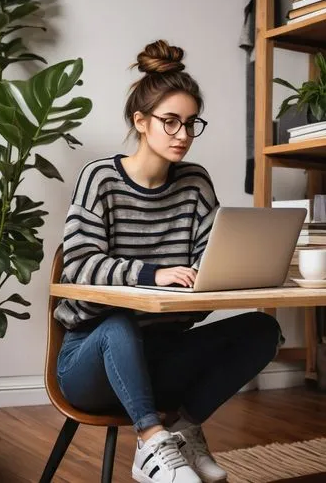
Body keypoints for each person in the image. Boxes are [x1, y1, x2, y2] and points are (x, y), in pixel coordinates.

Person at [55, 39, 284, 483]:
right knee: (118, 324)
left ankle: (182, 431)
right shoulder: (100, 178)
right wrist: (152, 275)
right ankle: (150, 444)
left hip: (163, 355)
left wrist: (222, 276)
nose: (183, 135)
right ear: (141, 122)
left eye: (191, 123)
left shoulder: (195, 183)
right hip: (91, 361)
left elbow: (208, 261)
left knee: (263, 329)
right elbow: (78, 266)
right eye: (170, 122)